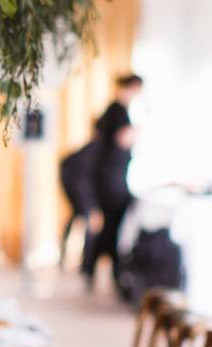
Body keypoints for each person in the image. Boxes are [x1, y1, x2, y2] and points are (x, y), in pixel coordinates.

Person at [82, 73, 143, 287]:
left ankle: (92, 267)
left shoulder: (111, 110)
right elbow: (122, 138)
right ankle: (109, 269)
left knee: (109, 223)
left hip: (106, 176)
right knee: (113, 223)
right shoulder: (118, 111)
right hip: (111, 177)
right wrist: (139, 130)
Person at [58, 138, 100, 267]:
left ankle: (81, 260)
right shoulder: (96, 148)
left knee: (78, 214)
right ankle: (86, 262)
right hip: (76, 184)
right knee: (88, 217)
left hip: (77, 184)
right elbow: (83, 179)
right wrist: (90, 204)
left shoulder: (96, 147)